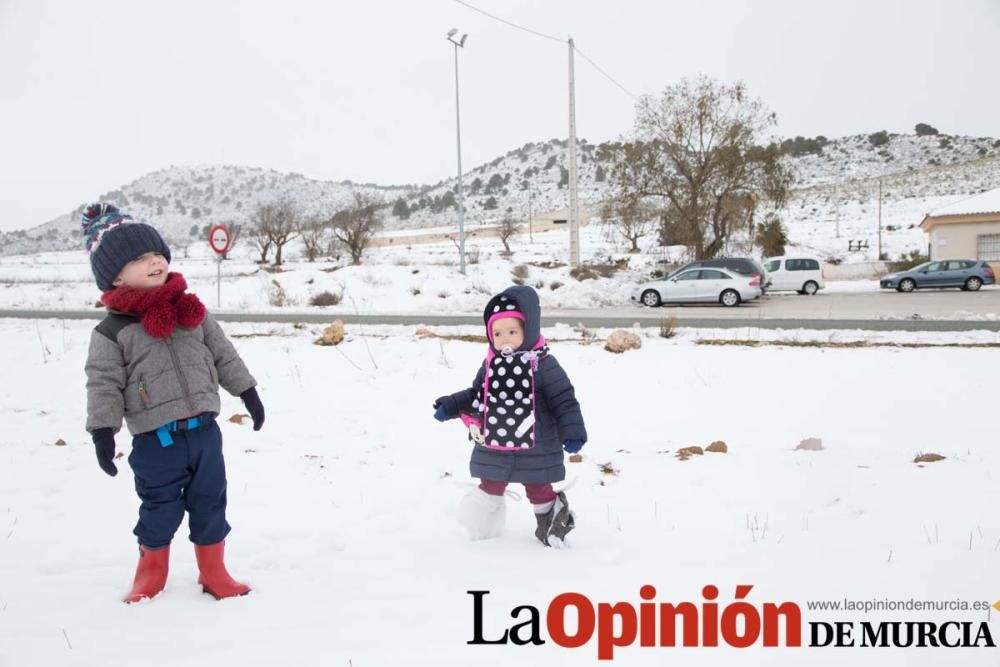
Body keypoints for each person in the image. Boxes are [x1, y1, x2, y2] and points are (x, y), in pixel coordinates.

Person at [81, 202, 265, 602]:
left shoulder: (190, 311)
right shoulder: (112, 331)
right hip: (155, 441)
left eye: (158, 253)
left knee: (211, 502)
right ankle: (150, 576)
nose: (154, 261)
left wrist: (247, 391)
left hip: (205, 434)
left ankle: (215, 573)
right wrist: (102, 430)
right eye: (140, 258)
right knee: (159, 509)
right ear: (114, 275)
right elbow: (104, 384)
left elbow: (223, 354)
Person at [433, 285, 587, 546]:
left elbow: (564, 398)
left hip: (537, 445)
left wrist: (573, 432)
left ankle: (553, 526)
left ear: (528, 331)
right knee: (490, 482)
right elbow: (476, 393)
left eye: (512, 332)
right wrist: (450, 405)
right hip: (496, 444)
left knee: (538, 487)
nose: (504, 339)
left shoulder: (543, 363)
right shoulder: (491, 364)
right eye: (497, 333)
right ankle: (478, 529)